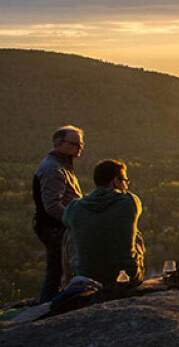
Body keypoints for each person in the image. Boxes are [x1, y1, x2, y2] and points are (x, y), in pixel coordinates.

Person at [62, 159, 144, 287]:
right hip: (123, 277)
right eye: (125, 181)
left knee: (70, 232)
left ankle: (68, 280)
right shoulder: (129, 201)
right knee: (136, 234)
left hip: (85, 277)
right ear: (116, 182)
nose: (126, 186)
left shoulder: (74, 207)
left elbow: (66, 220)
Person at [32, 126, 85, 302]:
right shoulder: (53, 168)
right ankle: (47, 307)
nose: (80, 147)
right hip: (55, 228)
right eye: (75, 143)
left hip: (58, 227)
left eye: (81, 143)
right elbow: (52, 205)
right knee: (57, 271)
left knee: (59, 271)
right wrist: (73, 221)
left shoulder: (61, 165)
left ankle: (49, 304)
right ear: (59, 144)